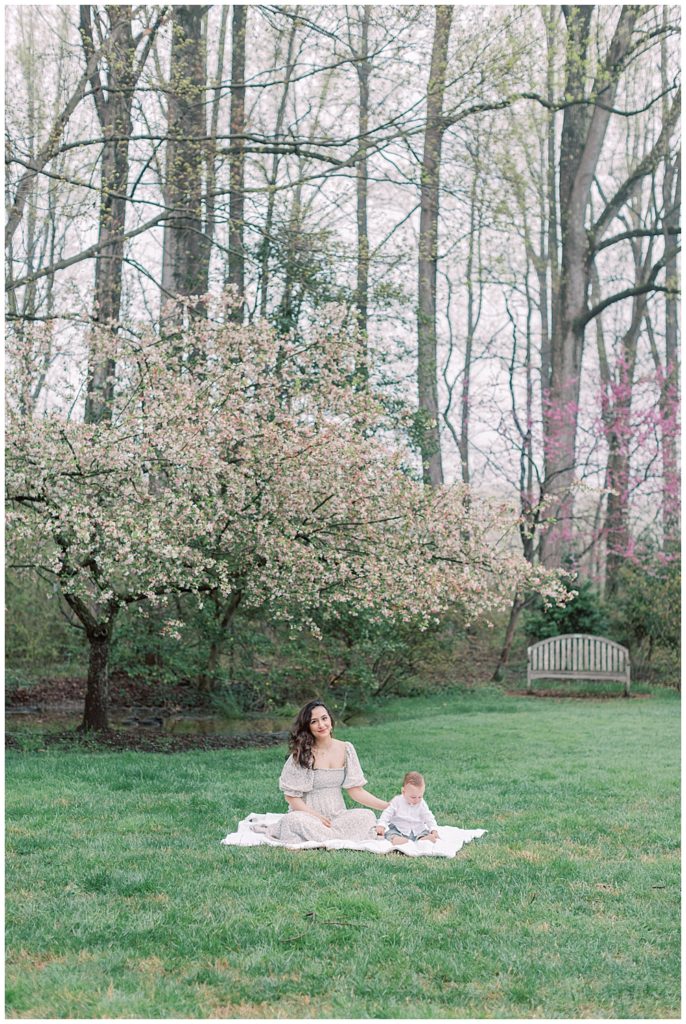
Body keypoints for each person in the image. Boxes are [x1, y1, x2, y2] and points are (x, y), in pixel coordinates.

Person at [264, 699, 389, 844]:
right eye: (314, 721)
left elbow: (356, 791)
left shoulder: (346, 748)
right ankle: (339, 838)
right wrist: (315, 816)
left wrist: (386, 806)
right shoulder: (302, 754)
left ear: (330, 719)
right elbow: (291, 797)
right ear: (308, 727)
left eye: (324, 718)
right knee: (293, 820)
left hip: (337, 817)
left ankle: (328, 837)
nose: (321, 725)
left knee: (367, 816)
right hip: (308, 817)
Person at [375, 771, 439, 845]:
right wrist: (381, 825)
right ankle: (398, 840)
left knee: (425, 833)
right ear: (403, 791)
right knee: (390, 833)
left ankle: (423, 839)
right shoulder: (397, 801)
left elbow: (428, 817)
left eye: (420, 796)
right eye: (413, 797)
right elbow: (387, 813)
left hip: (417, 830)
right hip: (399, 829)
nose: (417, 800)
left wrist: (433, 829)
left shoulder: (422, 804)